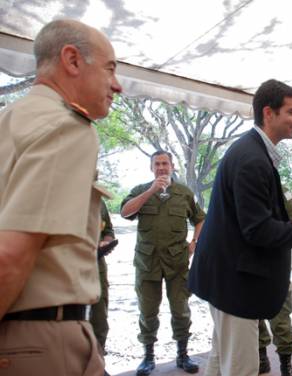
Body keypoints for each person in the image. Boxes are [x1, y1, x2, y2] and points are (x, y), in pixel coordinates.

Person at [188, 79, 292, 376]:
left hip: (225, 279)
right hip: (234, 284)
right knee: (240, 368)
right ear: (268, 113)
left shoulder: (253, 152)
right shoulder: (251, 159)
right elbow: (257, 230)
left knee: (221, 361)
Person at [0, 18, 122, 375]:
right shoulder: (67, 127)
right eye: (110, 69)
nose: (117, 85)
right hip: (44, 341)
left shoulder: (11, 121)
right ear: (71, 60)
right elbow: (10, 257)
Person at [121, 150, 205, 376]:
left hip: (177, 262)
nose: (161, 167)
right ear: (151, 168)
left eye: (165, 163)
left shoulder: (184, 193)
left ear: (172, 166)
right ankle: (148, 357)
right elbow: (125, 212)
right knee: (147, 311)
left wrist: (194, 243)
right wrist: (151, 191)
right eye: (157, 164)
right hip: (147, 263)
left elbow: (200, 219)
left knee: (181, 310)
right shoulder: (141, 190)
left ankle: (183, 354)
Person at [258, 190, 292, 376]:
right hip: (249, 266)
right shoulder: (243, 189)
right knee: (254, 315)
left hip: (277, 266)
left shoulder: (282, 193)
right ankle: (262, 358)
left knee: (281, 318)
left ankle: (286, 364)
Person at [90, 199, 116, 353]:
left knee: (99, 318)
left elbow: (108, 231)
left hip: (96, 266)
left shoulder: (98, 201)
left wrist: (107, 242)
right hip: (64, 270)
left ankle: (98, 360)